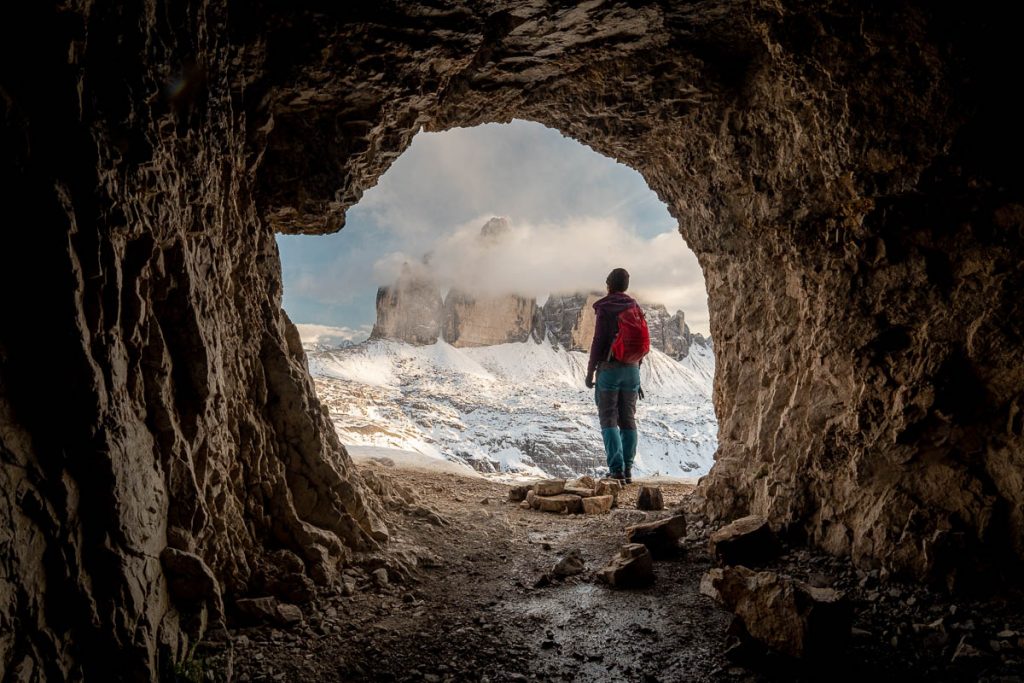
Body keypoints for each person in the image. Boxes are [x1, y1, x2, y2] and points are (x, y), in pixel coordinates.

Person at [585, 267, 642, 484]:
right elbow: (640, 342)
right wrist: (637, 372)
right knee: (628, 419)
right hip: (632, 369)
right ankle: (628, 470)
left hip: (609, 369)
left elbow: (598, 341)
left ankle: (616, 470)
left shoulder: (605, 307)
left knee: (608, 418)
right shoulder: (634, 306)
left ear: (608, 285)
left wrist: (590, 371)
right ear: (626, 286)